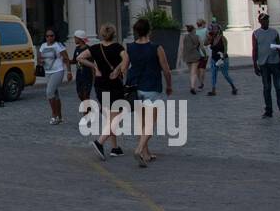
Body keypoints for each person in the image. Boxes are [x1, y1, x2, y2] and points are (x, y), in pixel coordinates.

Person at [124, 18, 172, 168]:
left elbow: (124, 67)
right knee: (150, 124)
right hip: (152, 87)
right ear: (149, 30)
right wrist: (169, 85)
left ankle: (146, 154)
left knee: (142, 122)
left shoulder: (129, 47)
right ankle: (139, 150)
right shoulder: (156, 47)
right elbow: (166, 69)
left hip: (136, 88)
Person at [82, 24, 128, 158]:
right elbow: (126, 58)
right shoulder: (117, 47)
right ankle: (100, 142)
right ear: (114, 34)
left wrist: (95, 67)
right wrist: (118, 69)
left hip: (100, 84)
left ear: (101, 34)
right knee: (116, 116)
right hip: (114, 84)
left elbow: (80, 58)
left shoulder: (95, 48)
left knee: (110, 116)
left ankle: (115, 148)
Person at [252, 14, 280, 118]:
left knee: (279, 88)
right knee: (267, 88)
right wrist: (255, 64)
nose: (266, 22)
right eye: (263, 20)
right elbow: (255, 49)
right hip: (263, 64)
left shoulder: (274, 32)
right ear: (259, 21)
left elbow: (279, 46)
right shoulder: (256, 33)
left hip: (275, 63)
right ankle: (268, 110)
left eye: (267, 20)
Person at [39, 29, 70, 124]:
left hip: (58, 71)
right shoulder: (43, 46)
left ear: (55, 36)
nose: (49, 37)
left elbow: (66, 58)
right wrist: (41, 61)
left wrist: (69, 71)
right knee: (55, 94)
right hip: (48, 71)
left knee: (49, 92)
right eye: (47, 36)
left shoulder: (58, 45)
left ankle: (54, 114)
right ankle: (60, 116)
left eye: (51, 35)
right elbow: (40, 57)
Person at [207, 24, 236, 95]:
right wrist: (209, 36)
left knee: (225, 74)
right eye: (213, 29)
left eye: (215, 29)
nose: (213, 30)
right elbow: (205, 43)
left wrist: (223, 56)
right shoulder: (212, 38)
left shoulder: (223, 38)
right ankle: (213, 90)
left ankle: (233, 87)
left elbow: (226, 48)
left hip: (222, 59)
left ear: (219, 30)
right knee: (213, 74)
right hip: (214, 59)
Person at [70, 30, 96, 103]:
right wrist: (66, 61)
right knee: (80, 95)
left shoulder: (88, 50)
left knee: (86, 96)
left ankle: (87, 113)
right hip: (79, 76)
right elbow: (74, 60)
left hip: (87, 76)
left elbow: (92, 64)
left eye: (75, 38)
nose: (74, 39)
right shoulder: (77, 48)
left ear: (80, 39)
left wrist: (94, 78)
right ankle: (88, 110)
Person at [180, 23, 205, 95]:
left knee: (191, 72)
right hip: (195, 56)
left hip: (187, 56)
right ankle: (193, 87)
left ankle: (195, 85)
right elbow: (202, 47)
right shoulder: (197, 37)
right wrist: (205, 54)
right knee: (194, 72)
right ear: (193, 30)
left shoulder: (184, 37)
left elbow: (181, 48)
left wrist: (180, 57)